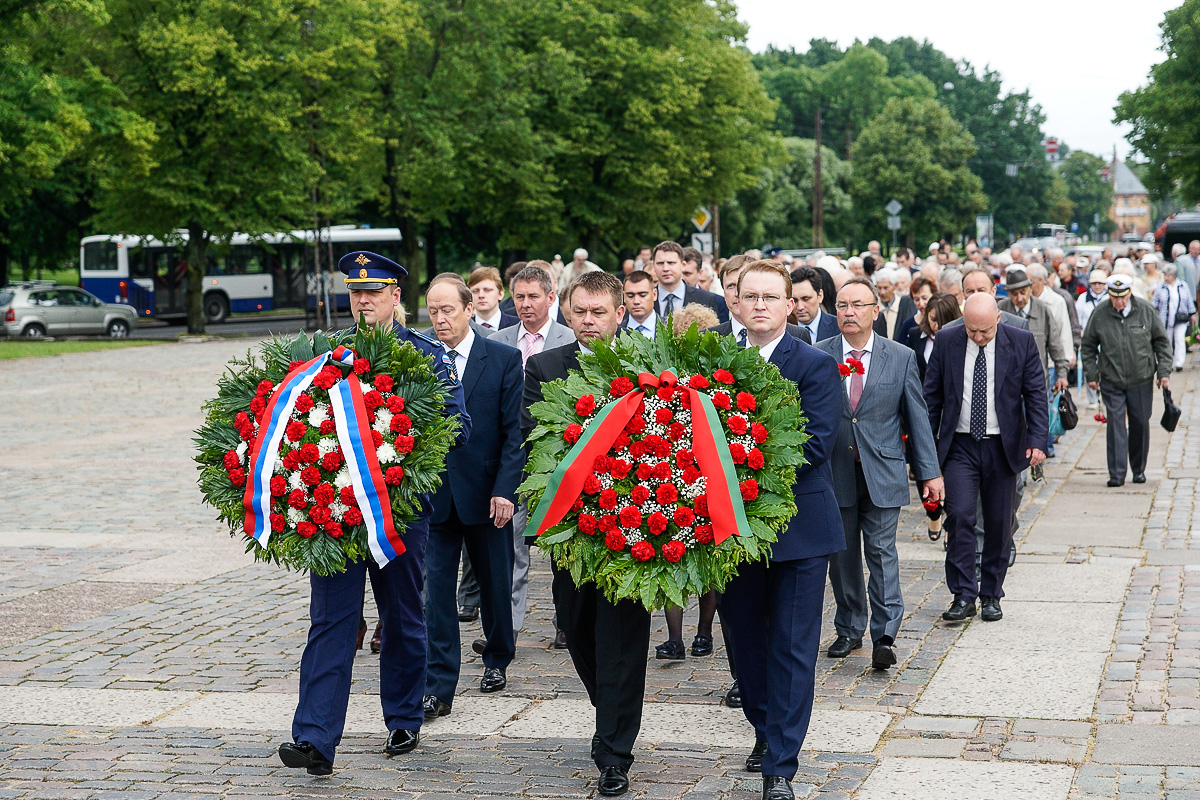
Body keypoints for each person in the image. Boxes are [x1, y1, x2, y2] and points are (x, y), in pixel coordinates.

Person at [278, 252, 471, 775]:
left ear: (394, 298)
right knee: (330, 621)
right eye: (356, 291)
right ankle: (314, 738)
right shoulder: (324, 355)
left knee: (404, 618)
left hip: (400, 513)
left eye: (375, 291)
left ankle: (404, 715)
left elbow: (460, 426)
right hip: (335, 515)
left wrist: (404, 455)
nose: (364, 300)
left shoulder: (427, 356)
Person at [720, 260, 843, 800]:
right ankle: (766, 728)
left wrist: (733, 460)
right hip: (729, 528)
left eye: (773, 296)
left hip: (799, 528)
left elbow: (815, 444)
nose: (762, 305)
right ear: (737, 303)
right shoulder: (711, 361)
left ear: (791, 303)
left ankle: (781, 765)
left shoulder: (815, 364)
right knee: (744, 643)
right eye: (752, 296)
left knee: (793, 647)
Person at [523, 271, 648, 798]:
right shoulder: (545, 367)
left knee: (622, 637)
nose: (590, 322)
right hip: (573, 527)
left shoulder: (648, 365)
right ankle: (611, 708)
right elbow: (535, 438)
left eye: (600, 312)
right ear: (568, 313)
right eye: (581, 313)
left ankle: (615, 750)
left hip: (637, 527)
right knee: (576, 628)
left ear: (620, 313)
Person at [817, 278, 942, 671]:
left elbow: (916, 416)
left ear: (875, 311)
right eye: (841, 305)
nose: (848, 312)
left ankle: (884, 635)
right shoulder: (819, 356)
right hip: (836, 469)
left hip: (883, 470)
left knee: (882, 552)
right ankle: (849, 626)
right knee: (843, 556)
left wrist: (929, 473)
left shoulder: (900, 356)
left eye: (857, 305)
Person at [422, 276, 524, 721]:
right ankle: (439, 684)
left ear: (469, 310)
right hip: (435, 498)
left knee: (495, 585)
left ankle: (498, 656)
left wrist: (505, 489)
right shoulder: (418, 359)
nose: (440, 319)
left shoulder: (502, 358)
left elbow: (513, 432)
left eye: (448, 310)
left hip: (486, 494)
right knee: (435, 594)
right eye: (433, 311)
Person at [924, 294, 1048, 624]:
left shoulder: (1020, 341)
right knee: (961, 517)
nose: (978, 337)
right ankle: (963, 594)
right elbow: (931, 397)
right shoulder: (948, 340)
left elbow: (1035, 393)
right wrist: (926, 453)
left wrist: (1038, 440)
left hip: (1003, 445)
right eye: (971, 330)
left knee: (998, 522)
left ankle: (991, 592)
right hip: (960, 446)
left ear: (998, 320)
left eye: (984, 331)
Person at [488, 264, 576, 646]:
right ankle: (509, 628)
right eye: (519, 297)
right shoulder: (500, 340)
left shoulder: (570, 339)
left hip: (555, 459)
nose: (525, 305)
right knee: (512, 546)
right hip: (510, 456)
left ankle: (566, 620)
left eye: (533, 297)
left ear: (551, 297)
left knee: (559, 548)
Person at [1083, 275, 1173, 487]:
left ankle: (1138, 469)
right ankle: (1116, 474)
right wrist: (1092, 374)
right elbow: (1088, 346)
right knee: (1115, 424)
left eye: (1122, 297)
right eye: (1114, 298)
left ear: (1130, 293)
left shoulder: (1145, 310)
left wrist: (1164, 372)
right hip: (1111, 378)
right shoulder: (1100, 314)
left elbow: (1161, 342)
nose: (1119, 302)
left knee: (1140, 422)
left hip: (1140, 377)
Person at [997, 269, 1070, 395]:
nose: (1020, 298)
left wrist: (1062, 374)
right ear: (1008, 293)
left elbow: (1055, 345)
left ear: (1030, 289)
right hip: (1008, 384)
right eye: (1014, 294)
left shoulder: (1042, 309)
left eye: (1023, 292)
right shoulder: (1001, 309)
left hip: (1037, 382)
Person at [712, 255, 811, 345]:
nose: (737, 293)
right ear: (723, 292)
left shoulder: (798, 334)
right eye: (731, 286)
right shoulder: (709, 339)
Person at [652, 240, 727, 323]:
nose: (665, 268)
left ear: (683, 265)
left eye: (671, 263)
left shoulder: (706, 299)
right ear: (653, 266)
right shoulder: (645, 298)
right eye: (660, 263)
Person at [1152, 262, 1196, 372]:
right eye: (1165, 275)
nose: (1166, 277)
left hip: (1180, 319)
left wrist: (1192, 314)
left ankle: (1179, 362)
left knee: (1180, 339)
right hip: (1165, 319)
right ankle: (1168, 363)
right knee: (1166, 341)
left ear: (1174, 275)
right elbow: (1154, 303)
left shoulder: (1182, 285)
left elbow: (1189, 300)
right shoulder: (1160, 287)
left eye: (1168, 275)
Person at [790, 266, 839, 343]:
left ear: (820, 296)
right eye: (794, 300)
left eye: (806, 299)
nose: (800, 307)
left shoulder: (838, 327)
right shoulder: (781, 330)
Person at [872, 267, 917, 341]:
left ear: (895, 286)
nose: (882, 292)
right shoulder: (873, 307)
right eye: (879, 288)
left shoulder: (903, 306)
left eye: (886, 288)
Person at [468, 267, 519, 331]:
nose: (481, 295)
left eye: (487, 290)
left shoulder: (518, 325)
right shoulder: (464, 328)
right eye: (475, 291)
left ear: (500, 294)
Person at [619, 270, 658, 338]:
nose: (636, 301)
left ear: (654, 294)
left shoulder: (671, 329)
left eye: (642, 295)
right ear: (624, 297)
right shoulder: (615, 332)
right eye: (630, 296)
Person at [895, 276, 934, 345]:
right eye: (916, 299)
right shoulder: (908, 324)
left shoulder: (943, 321)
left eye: (924, 298)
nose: (921, 303)